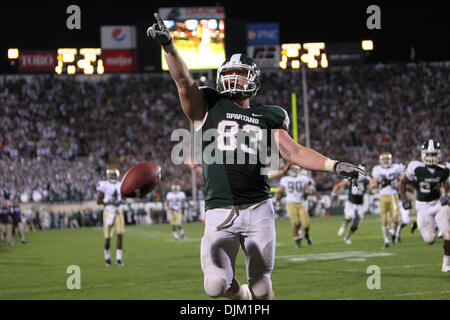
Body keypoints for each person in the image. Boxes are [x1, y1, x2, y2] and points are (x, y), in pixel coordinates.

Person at [147, 13, 365, 300]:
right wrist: (170, 48)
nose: (233, 79)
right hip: (219, 208)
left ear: (253, 80)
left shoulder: (267, 115)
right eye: (228, 73)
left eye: (239, 73)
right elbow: (183, 81)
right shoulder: (209, 105)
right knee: (214, 286)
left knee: (262, 286)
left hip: (257, 208)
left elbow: (294, 151)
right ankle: (240, 296)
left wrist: (333, 165)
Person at [400, 139, 450, 272]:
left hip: (438, 203)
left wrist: (446, 193)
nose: (431, 157)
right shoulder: (416, 168)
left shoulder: (443, 169)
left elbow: (446, 183)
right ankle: (422, 225)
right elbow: (403, 183)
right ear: (423, 154)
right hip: (423, 206)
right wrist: (404, 199)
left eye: (434, 154)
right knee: (430, 240)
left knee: (448, 233)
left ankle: (446, 263)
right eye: (429, 154)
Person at [275, 165, 321, 248]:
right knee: (295, 223)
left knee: (306, 224)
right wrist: (277, 200)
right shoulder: (285, 179)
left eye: (295, 169)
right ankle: (297, 240)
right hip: (290, 203)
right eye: (292, 169)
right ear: (289, 170)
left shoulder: (302, 179)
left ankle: (306, 234)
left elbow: (307, 188)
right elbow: (279, 191)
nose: (294, 170)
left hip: (301, 202)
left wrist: (311, 192)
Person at [368, 152, 403, 249]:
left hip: (393, 195)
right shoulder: (377, 169)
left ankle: (394, 233)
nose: (386, 161)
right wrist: (375, 185)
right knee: (384, 221)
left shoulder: (396, 168)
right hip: (383, 196)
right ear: (381, 161)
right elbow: (374, 183)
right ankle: (386, 240)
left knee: (395, 219)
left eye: (387, 159)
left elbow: (400, 180)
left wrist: (398, 184)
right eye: (384, 159)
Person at [332, 165, 372, 244]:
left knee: (356, 224)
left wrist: (370, 190)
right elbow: (338, 185)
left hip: (360, 204)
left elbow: (369, 189)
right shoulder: (350, 178)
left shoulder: (366, 181)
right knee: (350, 216)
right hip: (351, 202)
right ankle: (344, 225)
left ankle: (347, 237)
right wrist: (333, 194)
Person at [96, 168, 125, 267]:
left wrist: (122, 200)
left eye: (114, 175)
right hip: (108, 212)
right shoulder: (104, 184)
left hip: (118, 211)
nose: (113, 177)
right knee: (107, 237)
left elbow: (124, 197)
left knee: (120, 235)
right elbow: (98, 201)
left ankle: (119, 259)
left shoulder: (120, 184)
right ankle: (107, 258)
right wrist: (107, 201)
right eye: (111, 175)